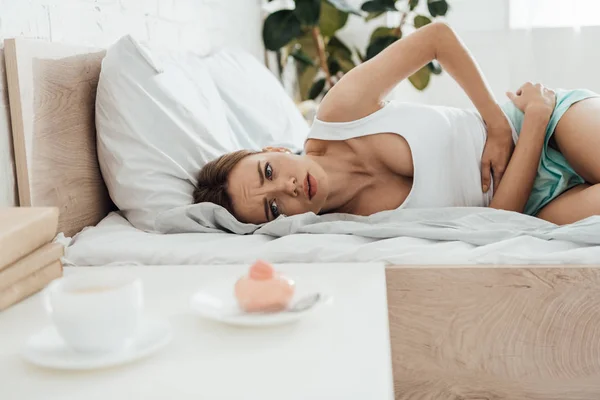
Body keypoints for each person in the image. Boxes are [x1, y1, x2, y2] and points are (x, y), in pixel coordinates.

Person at [193, 22, 600, 226]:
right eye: (274, 208)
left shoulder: (339, 115)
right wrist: (535, 121)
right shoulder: (353, 232)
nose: (289, 187)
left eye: (268, 172)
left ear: (274, 150)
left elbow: (436, 37)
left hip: (546, 125)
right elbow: (500, 222)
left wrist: (499, 124)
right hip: (533, 202)